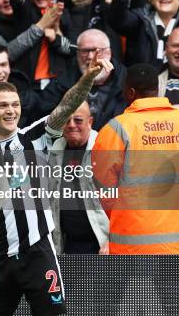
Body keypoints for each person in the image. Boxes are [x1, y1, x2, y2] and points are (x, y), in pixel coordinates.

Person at [0, 51, 112, 315]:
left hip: (37, 252)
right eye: (3, 105)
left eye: (15, 104)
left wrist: (87, 78)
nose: (11, 111)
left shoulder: (36, 137)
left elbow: (67, 104)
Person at [92, 63, 179, 254]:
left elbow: (104, 188)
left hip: (134, 244)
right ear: (159, 89)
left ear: (129, 92)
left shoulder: (116, 130)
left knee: (139, 286)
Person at [48, 101, 109, 254]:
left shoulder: (105, 148)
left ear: (90, 122)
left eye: (78, 120)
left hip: (102, 244)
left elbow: (125, 201)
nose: (71, 125)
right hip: (67, 245)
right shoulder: (55, 151)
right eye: (67, 120)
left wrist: (112, 240)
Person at [3, 0, 74, 91]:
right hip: (28, 78)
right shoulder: (27, 10)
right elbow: (18, 2)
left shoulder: (63, 12)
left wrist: (55, 38)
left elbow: (70, 49)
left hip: (56, 78)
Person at [39, 29, 127, 131]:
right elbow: (44, 112)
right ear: (77, 53)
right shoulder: (64, 81)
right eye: (84, 51)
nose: (90, 57)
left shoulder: (126, 82)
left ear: (108, 52)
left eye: (95, 50)